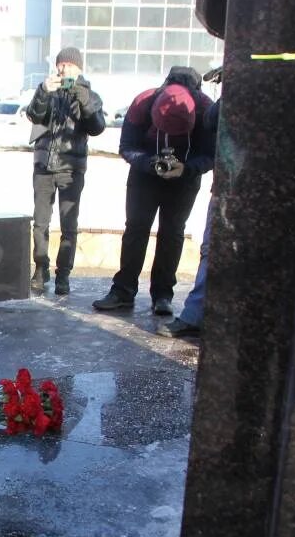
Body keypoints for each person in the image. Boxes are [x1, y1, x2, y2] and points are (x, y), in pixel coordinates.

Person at [93, 67, 215, 315]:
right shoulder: (142, 103)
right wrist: (148, 163)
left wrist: (186, 169)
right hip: (144, 174)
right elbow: (127, 146)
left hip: (184, 177)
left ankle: (163, 294)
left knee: (172, 233)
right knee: (136, 228)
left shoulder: (206, 110)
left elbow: (212, 155)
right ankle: (123, 290)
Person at [26, 47, 107, 295]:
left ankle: (64, 274)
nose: (64, 69)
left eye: (69, 66)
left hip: (71, 168)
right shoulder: (48, 90)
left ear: (79, 69)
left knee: (69, 224)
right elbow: (33, 115)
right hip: (44, 165)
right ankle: (41, 268)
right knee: (40, 223)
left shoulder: (88, 94)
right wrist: (42, 92)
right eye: (61, 65)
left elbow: (97, 127)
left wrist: (84, 100)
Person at [158, 99, 220, 338]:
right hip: (227, 186)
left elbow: (206, 153)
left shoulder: (201, 102)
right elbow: (213, 120)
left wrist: (187, 168)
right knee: (210, 248)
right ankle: (194, 315)